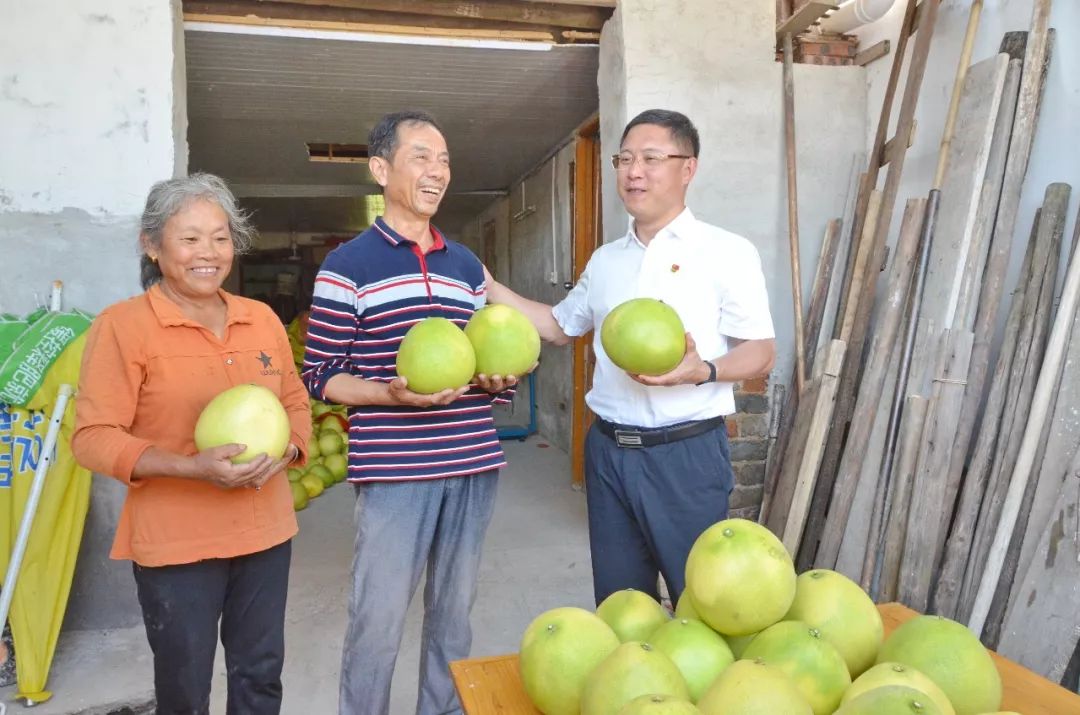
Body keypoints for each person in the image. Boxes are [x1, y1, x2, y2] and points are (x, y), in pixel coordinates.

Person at [486, 109, 776, 607]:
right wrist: (488, 286)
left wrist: (702, 370)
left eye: (650, 158)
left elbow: (761, 351)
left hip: (685, 455)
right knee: (622, 604)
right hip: (609, 453)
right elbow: (558, 326)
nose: (633, 171)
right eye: (624, 159)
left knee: (702, 602)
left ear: (689, 168)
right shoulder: (606, 261)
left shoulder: (726, 252)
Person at [302, 110, 519, 715]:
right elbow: (319, 374)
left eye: (444, 159)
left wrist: (497, 381)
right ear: (380, 169)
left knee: (454, 614)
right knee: (379, 616)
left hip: (474, 460)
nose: (438, 171)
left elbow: (481, 357)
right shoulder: (347, 266)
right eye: (421, 155)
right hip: (396, 469)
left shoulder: (467, 267)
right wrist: (389, 394)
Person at [72, 173, 311, 714]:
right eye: (190, 238)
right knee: (184, 688)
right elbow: (91, 438)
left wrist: (289, 452)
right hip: (178, 542)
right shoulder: (123, 327)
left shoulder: (263, 320)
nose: (209, 253)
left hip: (264, 531)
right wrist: (188, 467)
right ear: (152, 245)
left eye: (221, 237)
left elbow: (295, 401)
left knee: (261, 676)